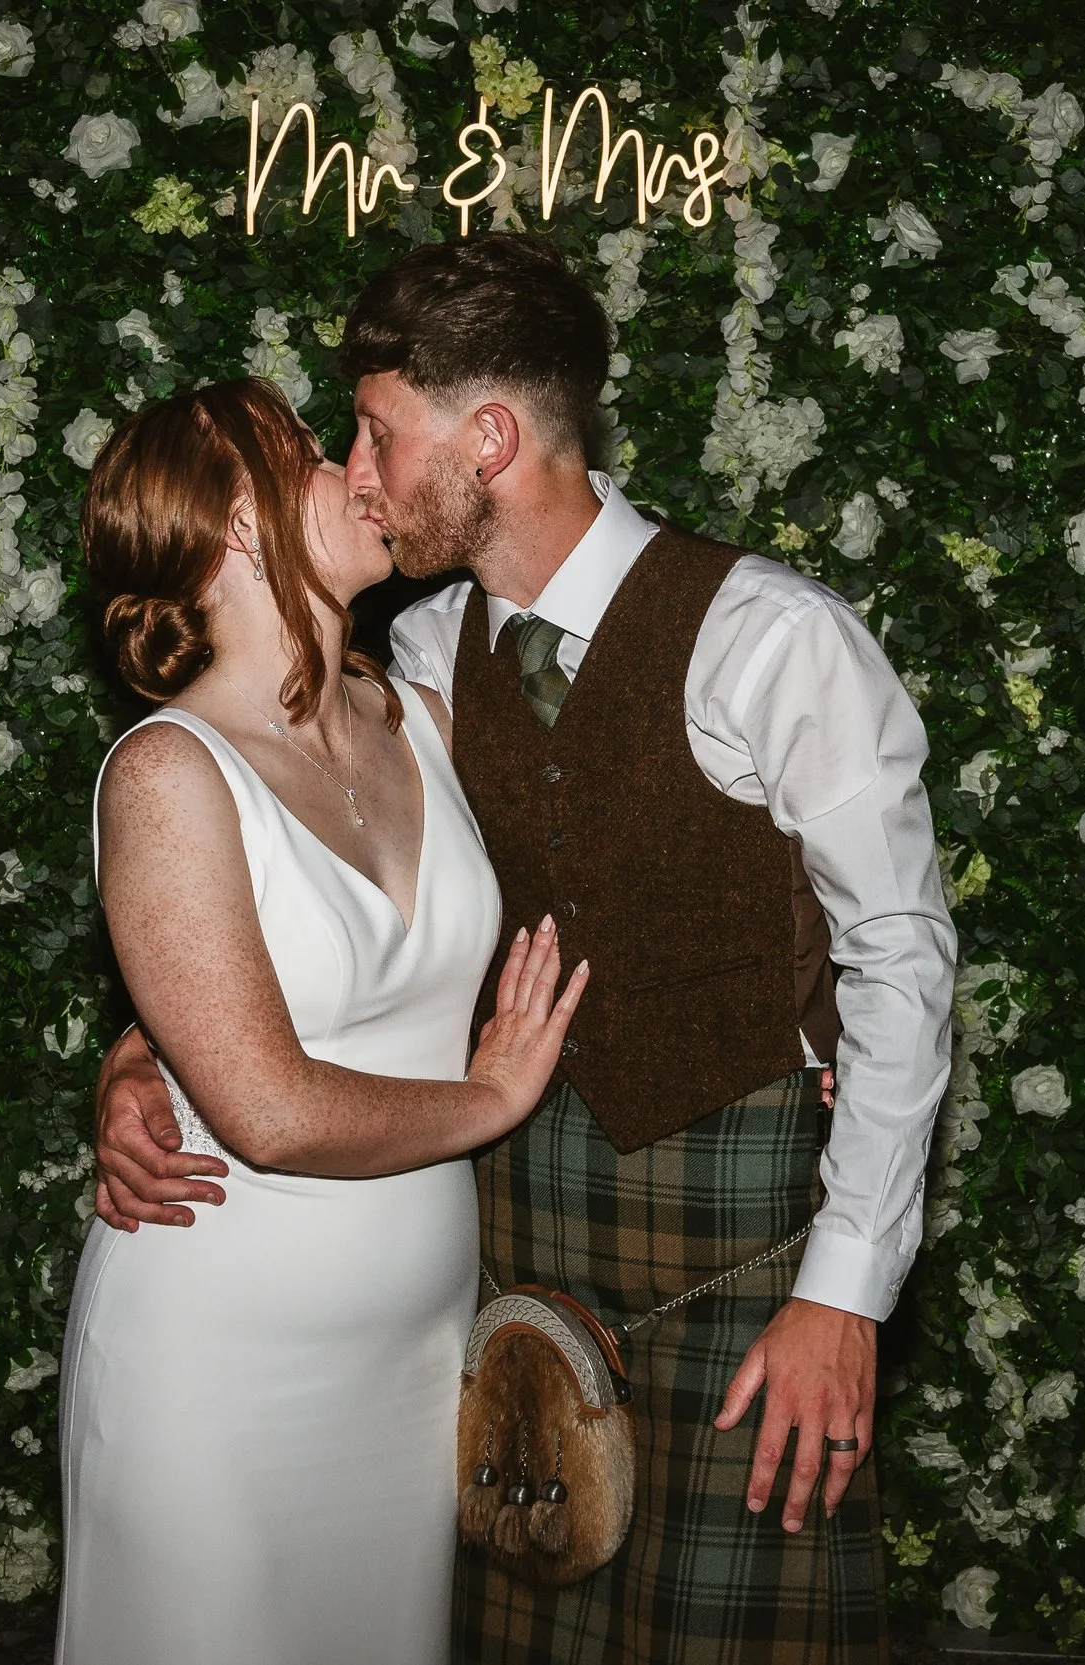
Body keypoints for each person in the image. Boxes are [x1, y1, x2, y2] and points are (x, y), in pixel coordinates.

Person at [96, 233, 957, 1664]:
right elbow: (273, 883)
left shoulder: (773, 638)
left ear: (486, 438)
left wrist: (844, 1295)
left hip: (742, 1250)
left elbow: (903, 962)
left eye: (375, 433)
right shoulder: (417, 665)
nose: (358, 472)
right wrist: (145, 1053)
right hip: (508, 1246)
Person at [54, 377, 589, 1665]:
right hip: (222, 1373)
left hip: (409, 1377)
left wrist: (815, 1027)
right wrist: (488, 1101)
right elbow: (269, 1108)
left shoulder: (420, 718)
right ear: (237, 521)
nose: (360, 468)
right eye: (312, 449)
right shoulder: (170, 768)